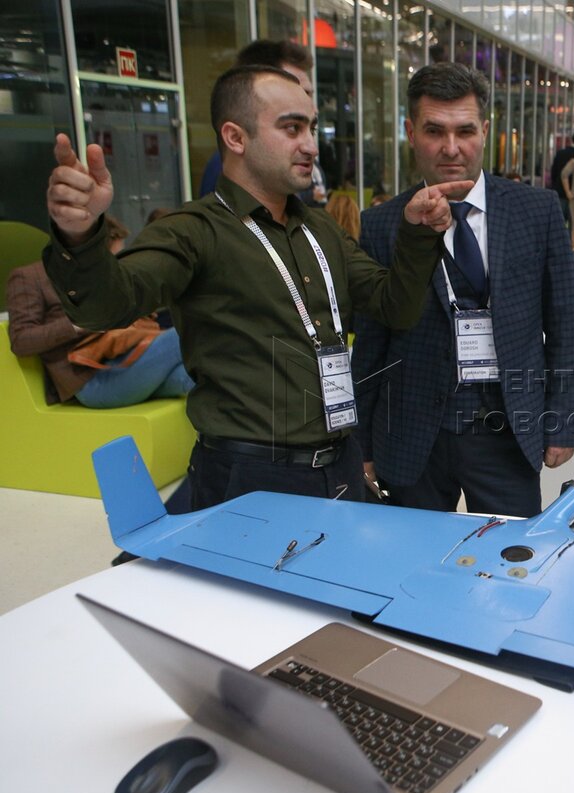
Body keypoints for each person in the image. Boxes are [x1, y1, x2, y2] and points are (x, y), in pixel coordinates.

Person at [44, 64, 465, 510]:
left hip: (339, 464)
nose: (310, 145)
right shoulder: (194, 231)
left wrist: (417, 235)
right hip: (250, 475)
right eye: (291, 128)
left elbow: (394, 307)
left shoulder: (319, 229)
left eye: (311, 128)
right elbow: (106, 306)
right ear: (235, 137)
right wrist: (80, 236)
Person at [352, 62, 574, 518]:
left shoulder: (537, 211)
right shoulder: (381, 225)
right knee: (413, 555)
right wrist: (361, 442)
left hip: (507, 428)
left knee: (510, 555)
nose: (451, 147)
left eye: (465, 131)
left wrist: (561, 421)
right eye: (434, 130)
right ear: (410, 132)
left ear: (485, 131)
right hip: (412, 434)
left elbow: (564, 324)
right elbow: (371, 343)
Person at [8, 215, 194, 409]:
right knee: (190, 331)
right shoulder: (29, 277)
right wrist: (82, 323)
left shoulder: (99, 276)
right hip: (90, 382)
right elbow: (21, 340)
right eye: (113, 258)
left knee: (201, 375)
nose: (117, 265)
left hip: (129, 359)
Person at [199, 40, 327, 206]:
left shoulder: (303, 167)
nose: (311, 107)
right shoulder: (224, 170)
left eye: (308, 94)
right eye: (292, 128)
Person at [550, 130, 574, 222]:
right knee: (573, 222)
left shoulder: (561, 153)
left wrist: (554, 184)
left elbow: (554, 171)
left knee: (559, 220)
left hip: (559, 190)